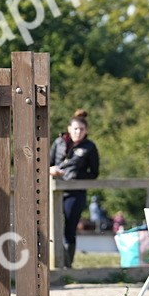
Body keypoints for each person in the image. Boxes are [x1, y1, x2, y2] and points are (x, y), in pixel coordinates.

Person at [48, 109, 99, 267]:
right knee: (51, 226)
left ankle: (67, 264)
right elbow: (47, 163)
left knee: (69, 228)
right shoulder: (58, 142)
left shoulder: (89, 147)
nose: (78, 132)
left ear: (86, 131)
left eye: (81, 129)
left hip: (75, 193)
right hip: (54, 190)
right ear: (69, 129)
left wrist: (76, 176)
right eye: (75, 129)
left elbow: (94, 173)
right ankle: (53, 261)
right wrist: (51, 170)